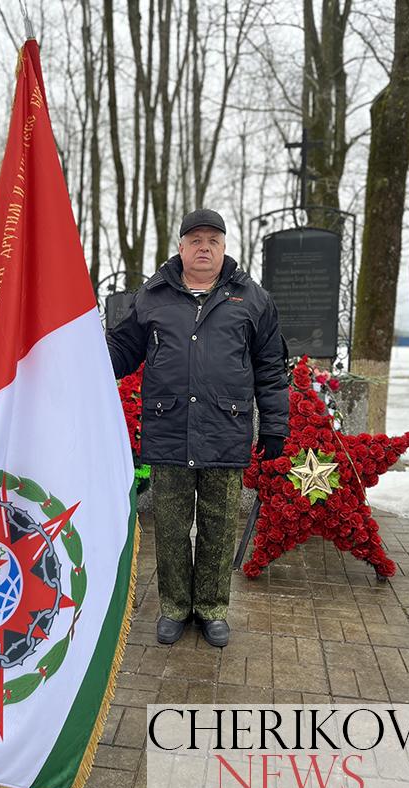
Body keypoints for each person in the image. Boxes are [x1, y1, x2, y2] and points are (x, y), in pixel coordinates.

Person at [106, 209, 289, 647]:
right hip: (169, 429)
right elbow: (122, 351)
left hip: (225, 430)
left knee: (218, 527)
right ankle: (174, 607)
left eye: (212, 240)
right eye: (195, 240)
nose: (204, 248)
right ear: (181, 247)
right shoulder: (152, 296)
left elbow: (270, 367)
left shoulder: (253, 299)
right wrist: (81, 346)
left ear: (224, 247)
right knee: (170, 528)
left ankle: (211, 608)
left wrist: (275, 426)